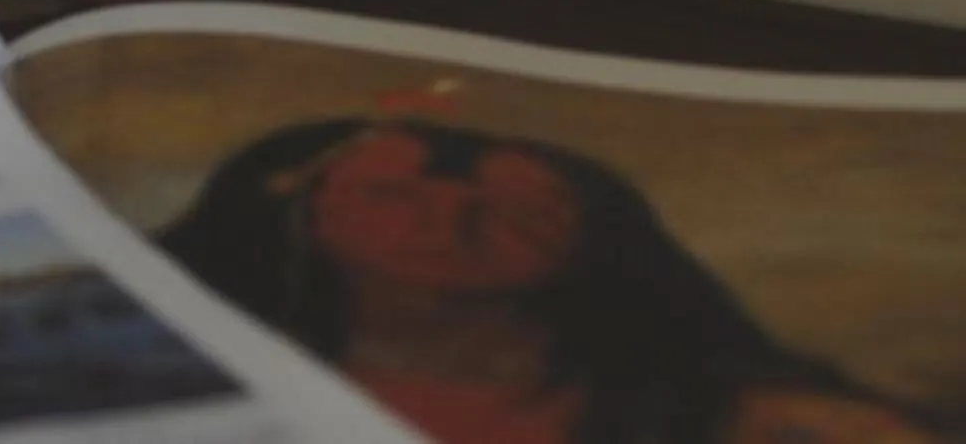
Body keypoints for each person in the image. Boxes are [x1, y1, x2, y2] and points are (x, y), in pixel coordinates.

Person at [157, 119, 941, 444]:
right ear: (293, 218)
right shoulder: (189, 378)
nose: (453, 222)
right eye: (391, 197)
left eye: (523, 213)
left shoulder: (756, 415)